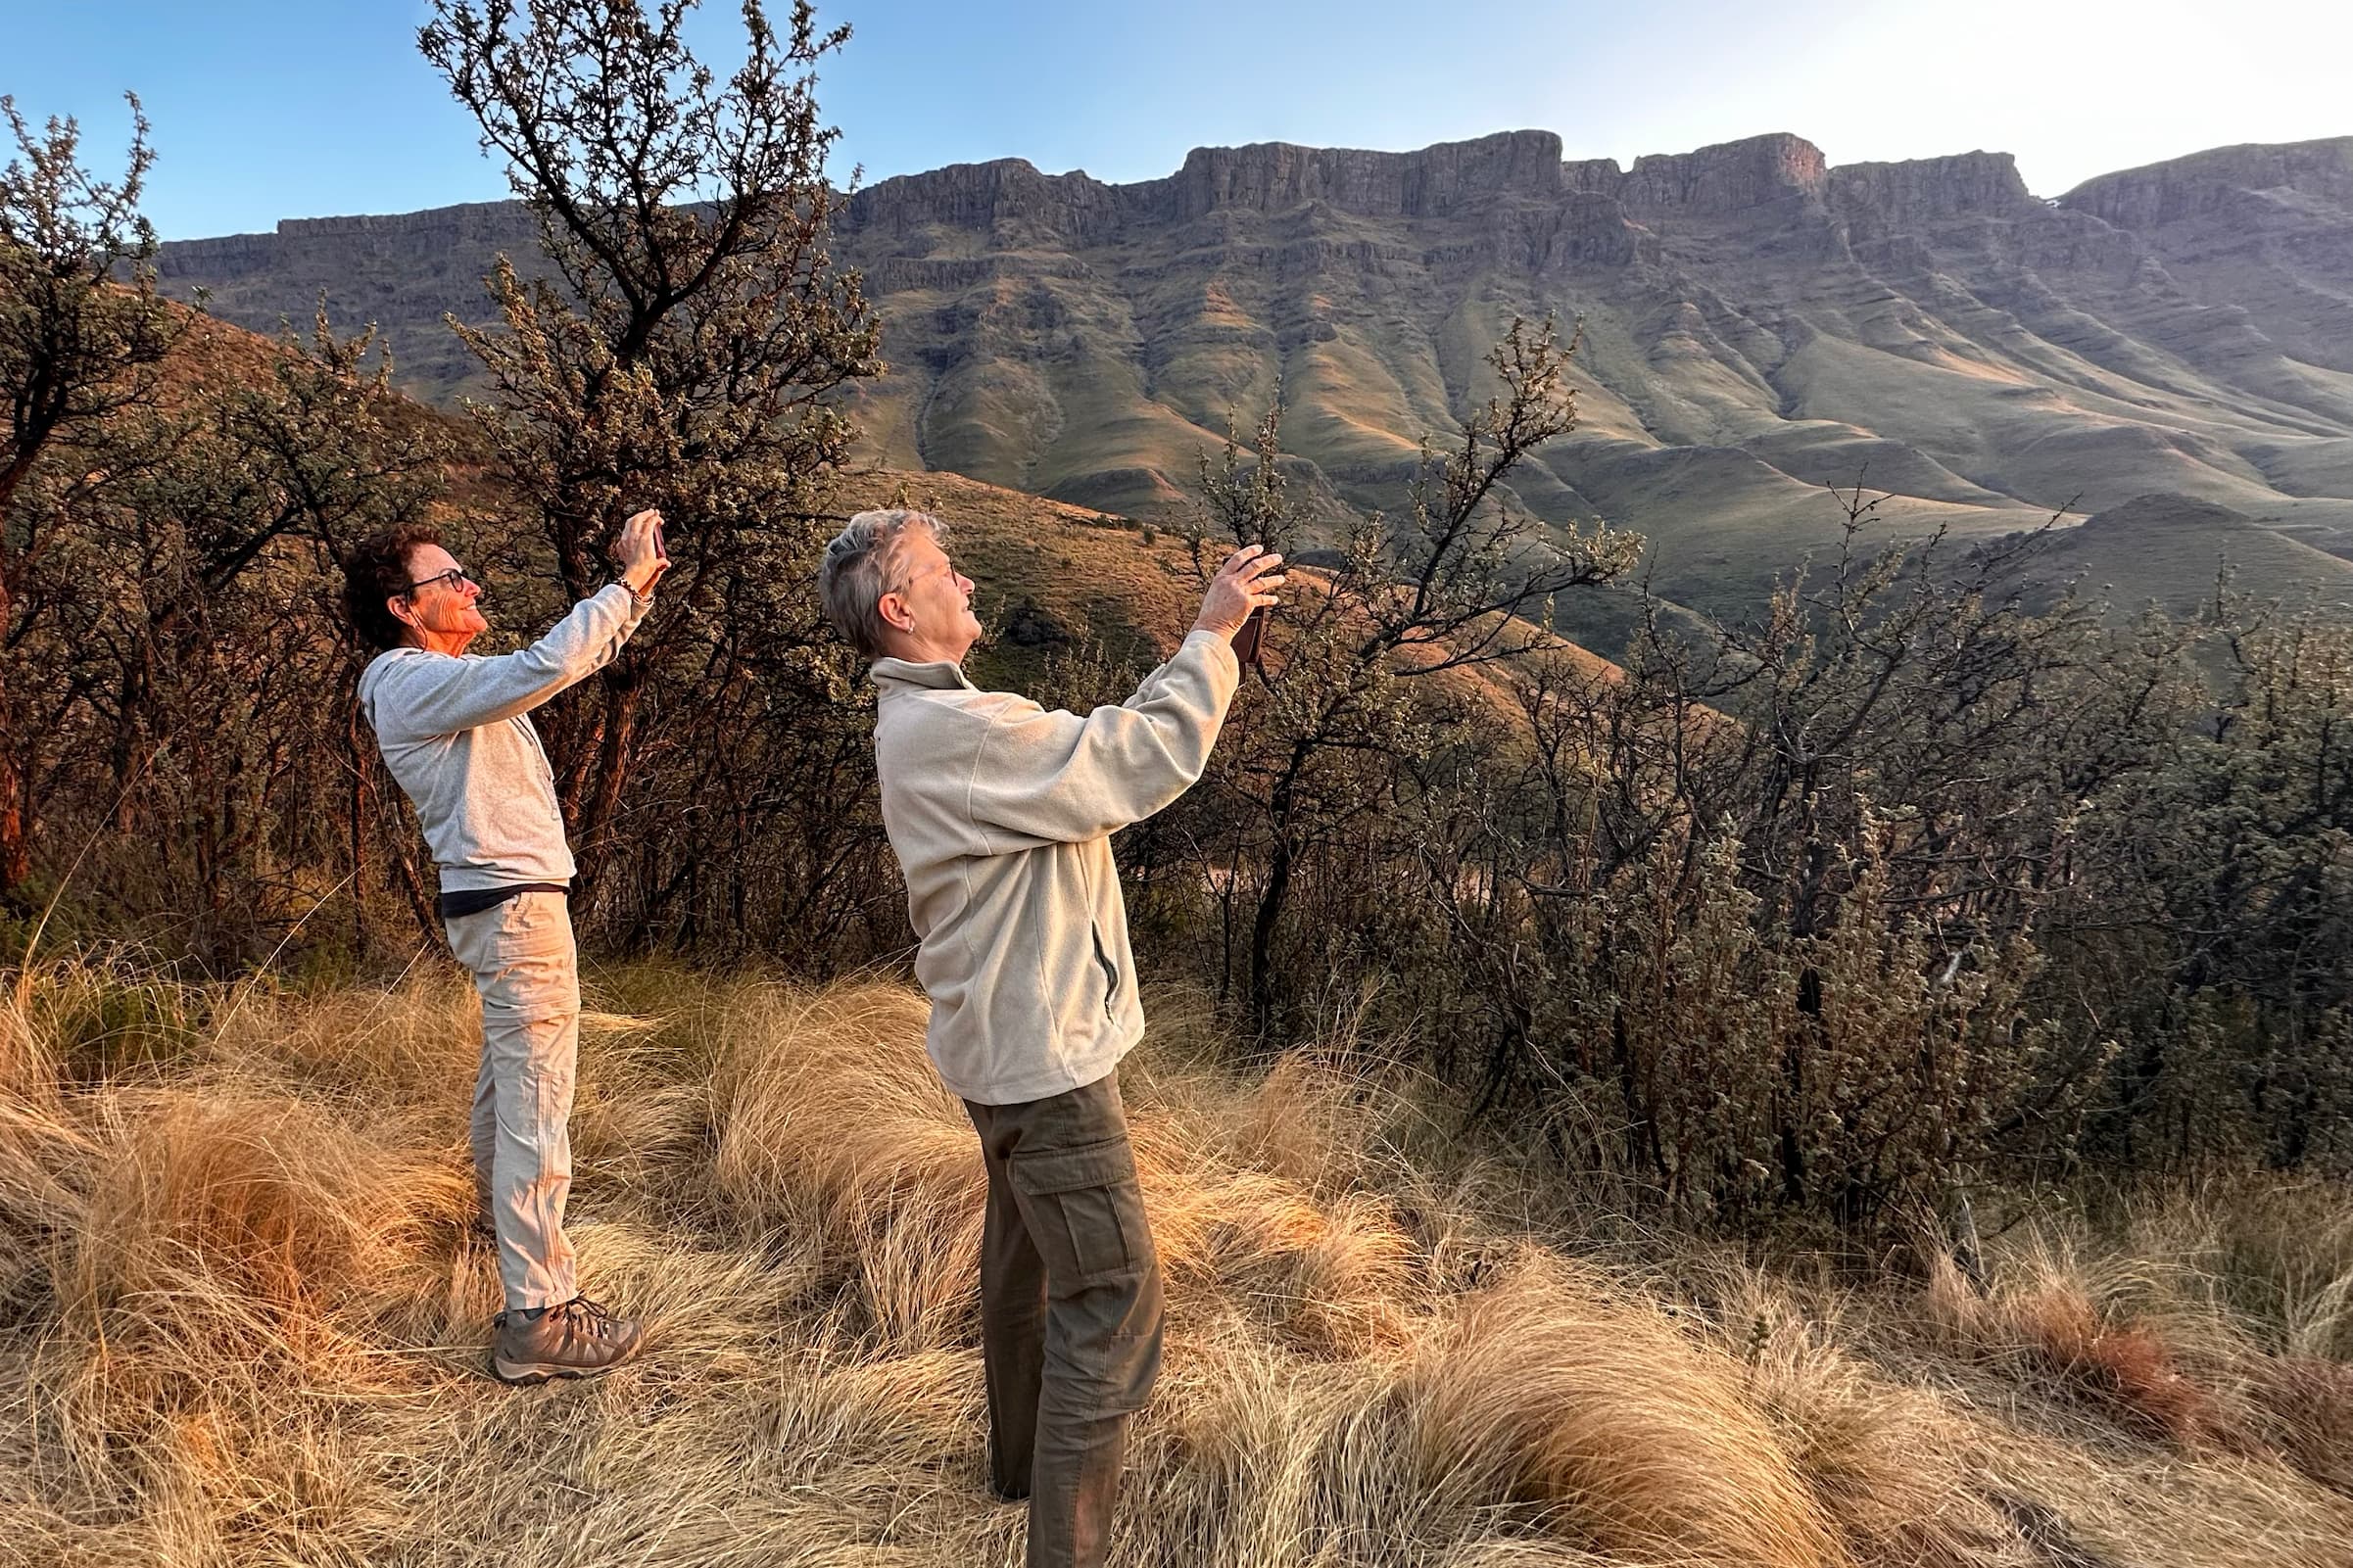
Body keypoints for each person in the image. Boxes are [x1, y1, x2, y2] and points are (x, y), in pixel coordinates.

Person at [817, 509, 1282, 1568]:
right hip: (1043, 1060)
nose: (965, 577)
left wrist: (1208, 661)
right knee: (1112, 1304)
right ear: (900, 609)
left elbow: (1083, 771)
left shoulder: (937, 721)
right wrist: (1209, 637)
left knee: (1023, 1262)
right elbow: (1131, 759)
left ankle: (1021, 1465)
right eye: (942, 570)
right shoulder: (962, 731)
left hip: (997, 1046)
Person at [342, 509, 669, 1384]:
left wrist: (632, 600)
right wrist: (624, 585)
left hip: (508, 907)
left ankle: (509, 1264)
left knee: (509, 1095)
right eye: (449, 579)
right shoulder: (406, 678)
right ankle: (541, 1315)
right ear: (402, 607)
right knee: (536, 1108)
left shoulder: (438, 680)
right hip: (515, 912)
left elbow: (557, 667)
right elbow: (548, 665)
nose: (470, 586)